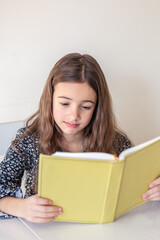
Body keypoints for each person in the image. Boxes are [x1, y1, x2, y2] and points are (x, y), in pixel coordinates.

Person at [0, 53, 159, 223]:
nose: (73, 115)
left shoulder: (116, 142)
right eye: (64, 104)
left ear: (97, 108)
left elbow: (141, 186)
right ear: (50, 99)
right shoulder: (28, 141)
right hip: (46, 232)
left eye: (85, 106)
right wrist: (21, 208)